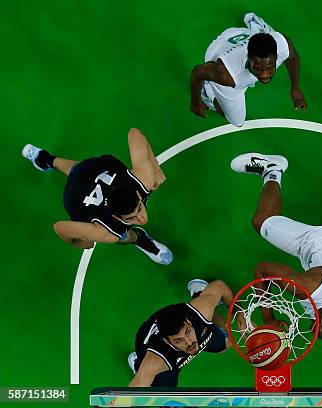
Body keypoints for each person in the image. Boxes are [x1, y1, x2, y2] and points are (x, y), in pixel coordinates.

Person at [230, 152, 322, 347]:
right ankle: (272, 169)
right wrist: (268, 319)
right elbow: (262, 269)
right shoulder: (308, 287)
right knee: (261, 222)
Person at [21, 128, 172, 264]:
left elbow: (134, 133)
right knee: (121, 237)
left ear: (138, 196)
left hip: (95, 170)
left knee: (77, 169)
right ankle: (140, 239)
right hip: (76, 197)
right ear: (117, 217)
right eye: (131, 218)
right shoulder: (105, 231)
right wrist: (80, 243)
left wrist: (155, 166)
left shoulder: (143, 180)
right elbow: (60, 227)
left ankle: (45, 159)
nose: (142, 219)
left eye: (139, 209)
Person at [190, 13, 306, 127]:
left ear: (276, 57)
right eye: (258, 69)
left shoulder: (282, 45)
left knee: (264, 41)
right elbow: (198, 72)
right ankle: (207, 90)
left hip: (243, 35)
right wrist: (195, 102)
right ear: (249, 58)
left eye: (269, 68)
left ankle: (258, 28)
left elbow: (293, 57)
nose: (265, 75)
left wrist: (295, 87)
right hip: (222, 48)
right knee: (237, 121)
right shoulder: (226, 75)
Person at [128, 279, 236, 386]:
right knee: (168, 399)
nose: (189, 342)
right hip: (163, 360)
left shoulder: (200, 310)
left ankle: (199, 293)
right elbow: (131, 394)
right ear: (167, 341)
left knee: (226, 343)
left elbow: (220, 286)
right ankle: (139, 365)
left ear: (188, 322)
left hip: (195, 327)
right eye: (179, 340)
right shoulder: (156, 360)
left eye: (187, 332)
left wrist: (240, 317)